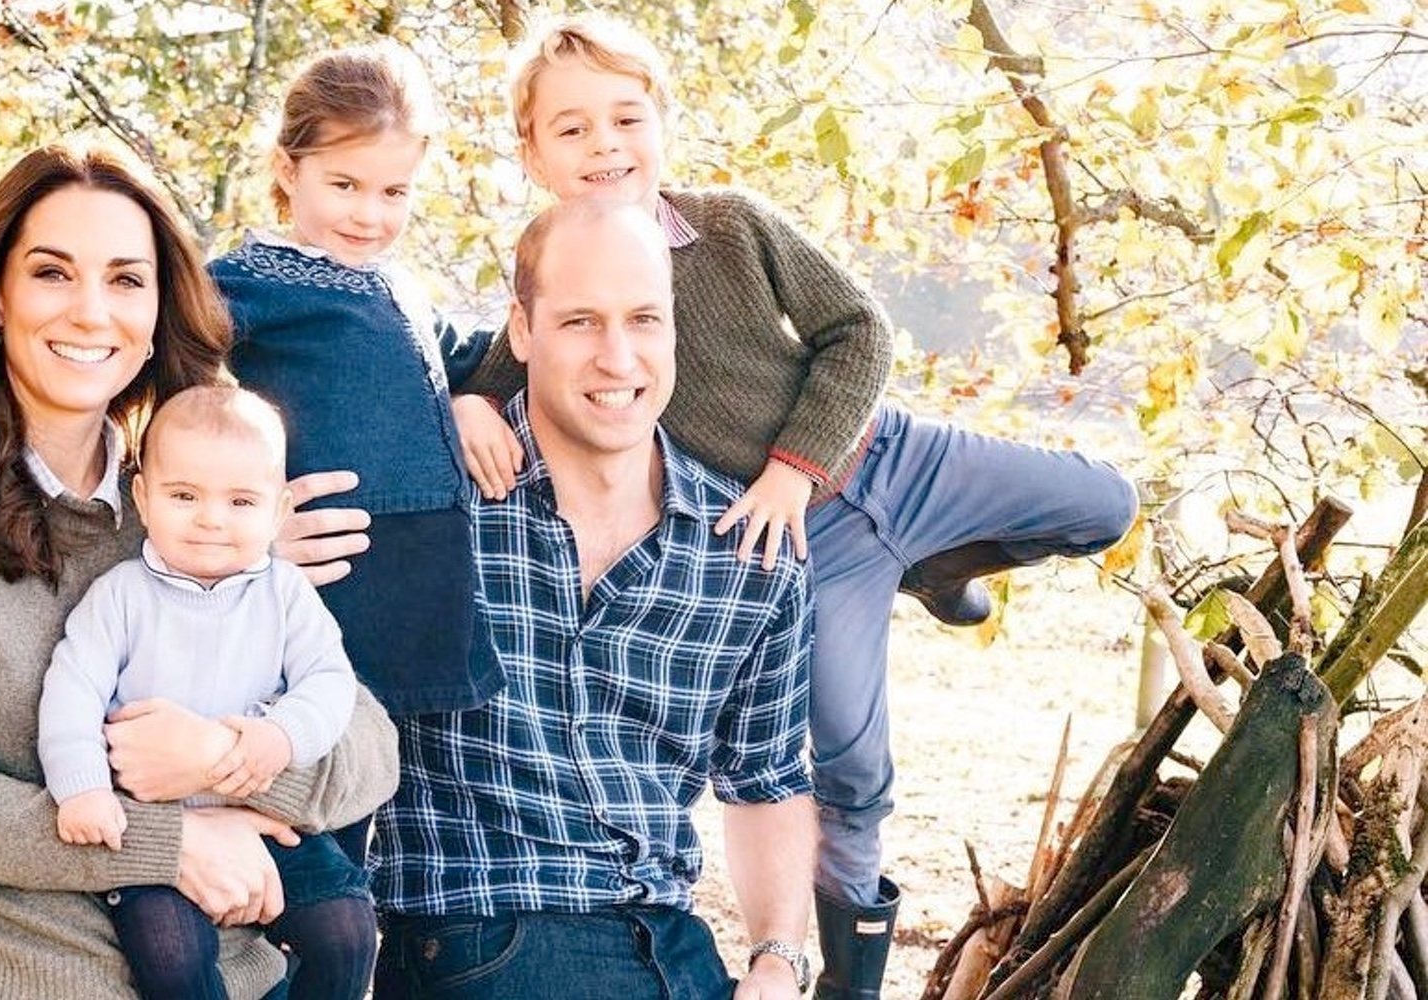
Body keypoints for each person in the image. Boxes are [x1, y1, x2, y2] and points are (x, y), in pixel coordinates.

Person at [451, 17, 1140, 996]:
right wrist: (460, 403)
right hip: (804, 547)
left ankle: (939, 565)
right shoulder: (560, 281)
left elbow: (858, 328)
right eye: (570, 130)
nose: (603, 145)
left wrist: (791, 462)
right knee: (850, 760)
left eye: (623, 117)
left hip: (887, 456)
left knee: (1103, 503)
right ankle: (846, 978)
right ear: (531, 153)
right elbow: (495, 372)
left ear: (659, 123)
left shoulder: (730, 224)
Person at [0, 142, 398, 1000]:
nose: (92, 312)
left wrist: (222, 756)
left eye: (127, 280)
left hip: (256, 976)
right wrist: (170, 842)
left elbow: (371, 747)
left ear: (161, 309)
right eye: (53, 273)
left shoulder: (199, 500)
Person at [369, 199, 818, 999]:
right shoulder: (428, 508)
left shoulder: (748, 555)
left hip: (674, 951)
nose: (619, 358)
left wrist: (779, 959)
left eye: (643, 319)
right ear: (521, 328)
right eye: (581, 323)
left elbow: (767, 779)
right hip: (484, 933)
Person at [209, 46, 505, 795]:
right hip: (336, 584)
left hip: (422, 586)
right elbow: (163, 391)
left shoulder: (397, 284)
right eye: (344, 184)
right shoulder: (247, 284)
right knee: (318, 788)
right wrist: (243, 528)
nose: (370, 215)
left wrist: (473, 396)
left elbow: (461, 357)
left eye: (394, 192)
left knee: (394, 799)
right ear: (288, 169)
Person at [39, 385, 375, 1000]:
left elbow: (329, 681)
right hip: (152, 831)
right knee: (170, 953)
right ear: (143, 497)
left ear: (278, 510)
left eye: (241, 500)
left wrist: (282, 735)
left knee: (346, 931)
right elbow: (72, 690)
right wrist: (81, 787)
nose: (211, 519)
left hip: (263, 819)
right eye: (184, 495)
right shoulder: (120, 596)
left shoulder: (285, 594)